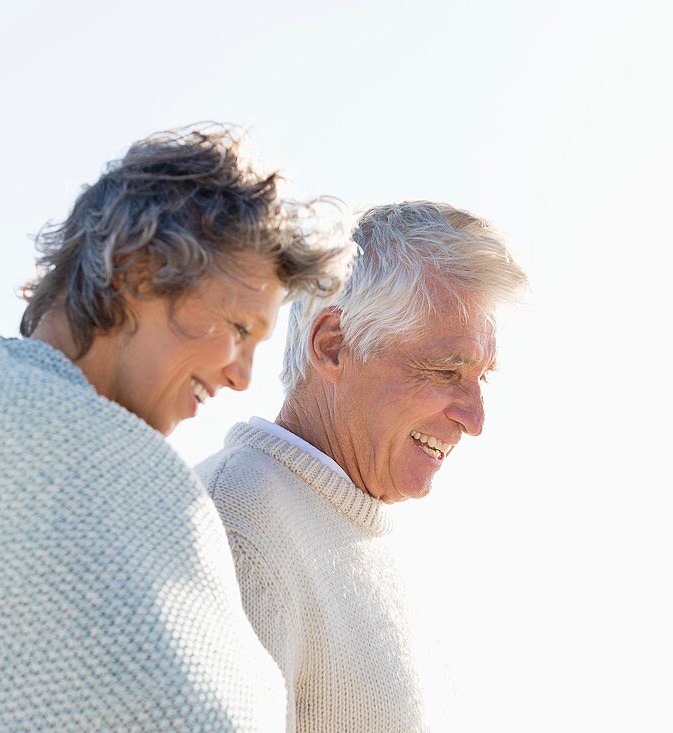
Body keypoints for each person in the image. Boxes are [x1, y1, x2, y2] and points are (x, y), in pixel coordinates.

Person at [0, 126, 353, 732]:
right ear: (139, 270)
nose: (242, 377)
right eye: (238, 329)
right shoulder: (6, 429)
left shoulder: (101, 459)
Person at [196, 201, 528, 732]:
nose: (475, 418)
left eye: (482, 377)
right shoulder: (237, 520)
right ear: (332, 346)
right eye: (447, 370)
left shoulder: (367, 541)